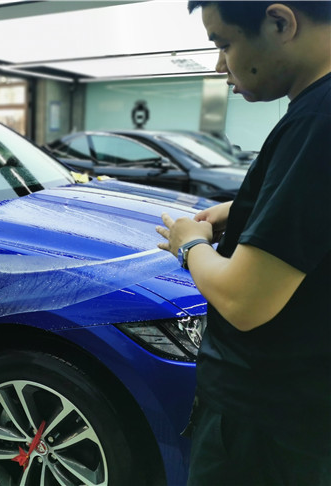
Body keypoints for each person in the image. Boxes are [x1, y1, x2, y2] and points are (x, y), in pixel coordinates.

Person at [156, 2, 331, 485]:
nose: (220, 66)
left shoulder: (316, 121)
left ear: (280, 22)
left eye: (224, 43)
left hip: (266, 424)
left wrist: (189, 244)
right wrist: (246, 211)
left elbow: (244, 300)